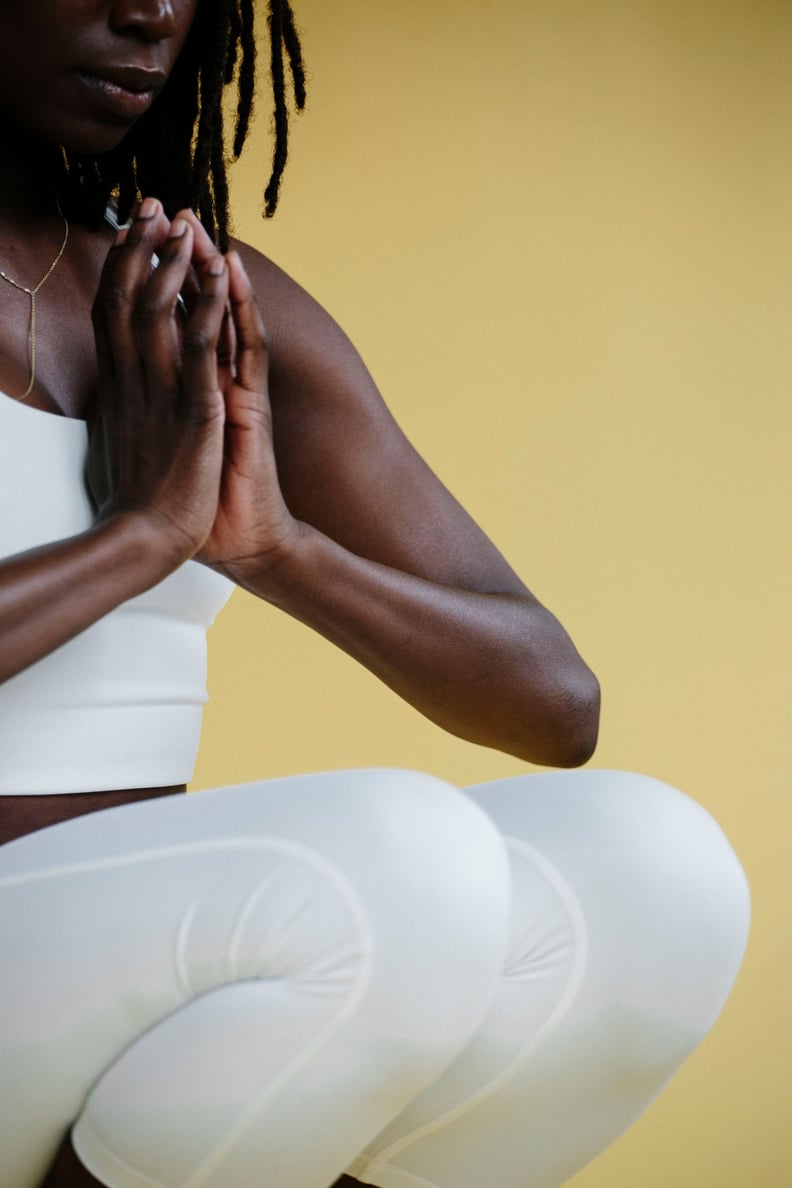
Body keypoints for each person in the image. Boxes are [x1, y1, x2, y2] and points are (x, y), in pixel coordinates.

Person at [0, 3, 750, 1187]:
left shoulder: (195, 291)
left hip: (142, 974)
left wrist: (277, 549)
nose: (148, 10)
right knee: (395, 857)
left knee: (658, 870)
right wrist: (142, 537)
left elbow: (556, 708)